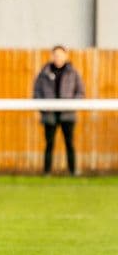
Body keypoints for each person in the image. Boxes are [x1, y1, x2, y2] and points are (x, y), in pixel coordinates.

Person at [32, 45, 85, 175]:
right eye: (56, 55)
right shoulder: (44, 73)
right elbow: (36, 92)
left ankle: (73, 171)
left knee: (69, 143)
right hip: (49, 114)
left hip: (67, 114)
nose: (58, 58)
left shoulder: (73, 73)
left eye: (60, 55)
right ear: (52, 56)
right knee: (49, 144)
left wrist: (71, 105)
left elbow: (80, 92)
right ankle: (47, 172)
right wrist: (44, 108)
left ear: (66, 56)